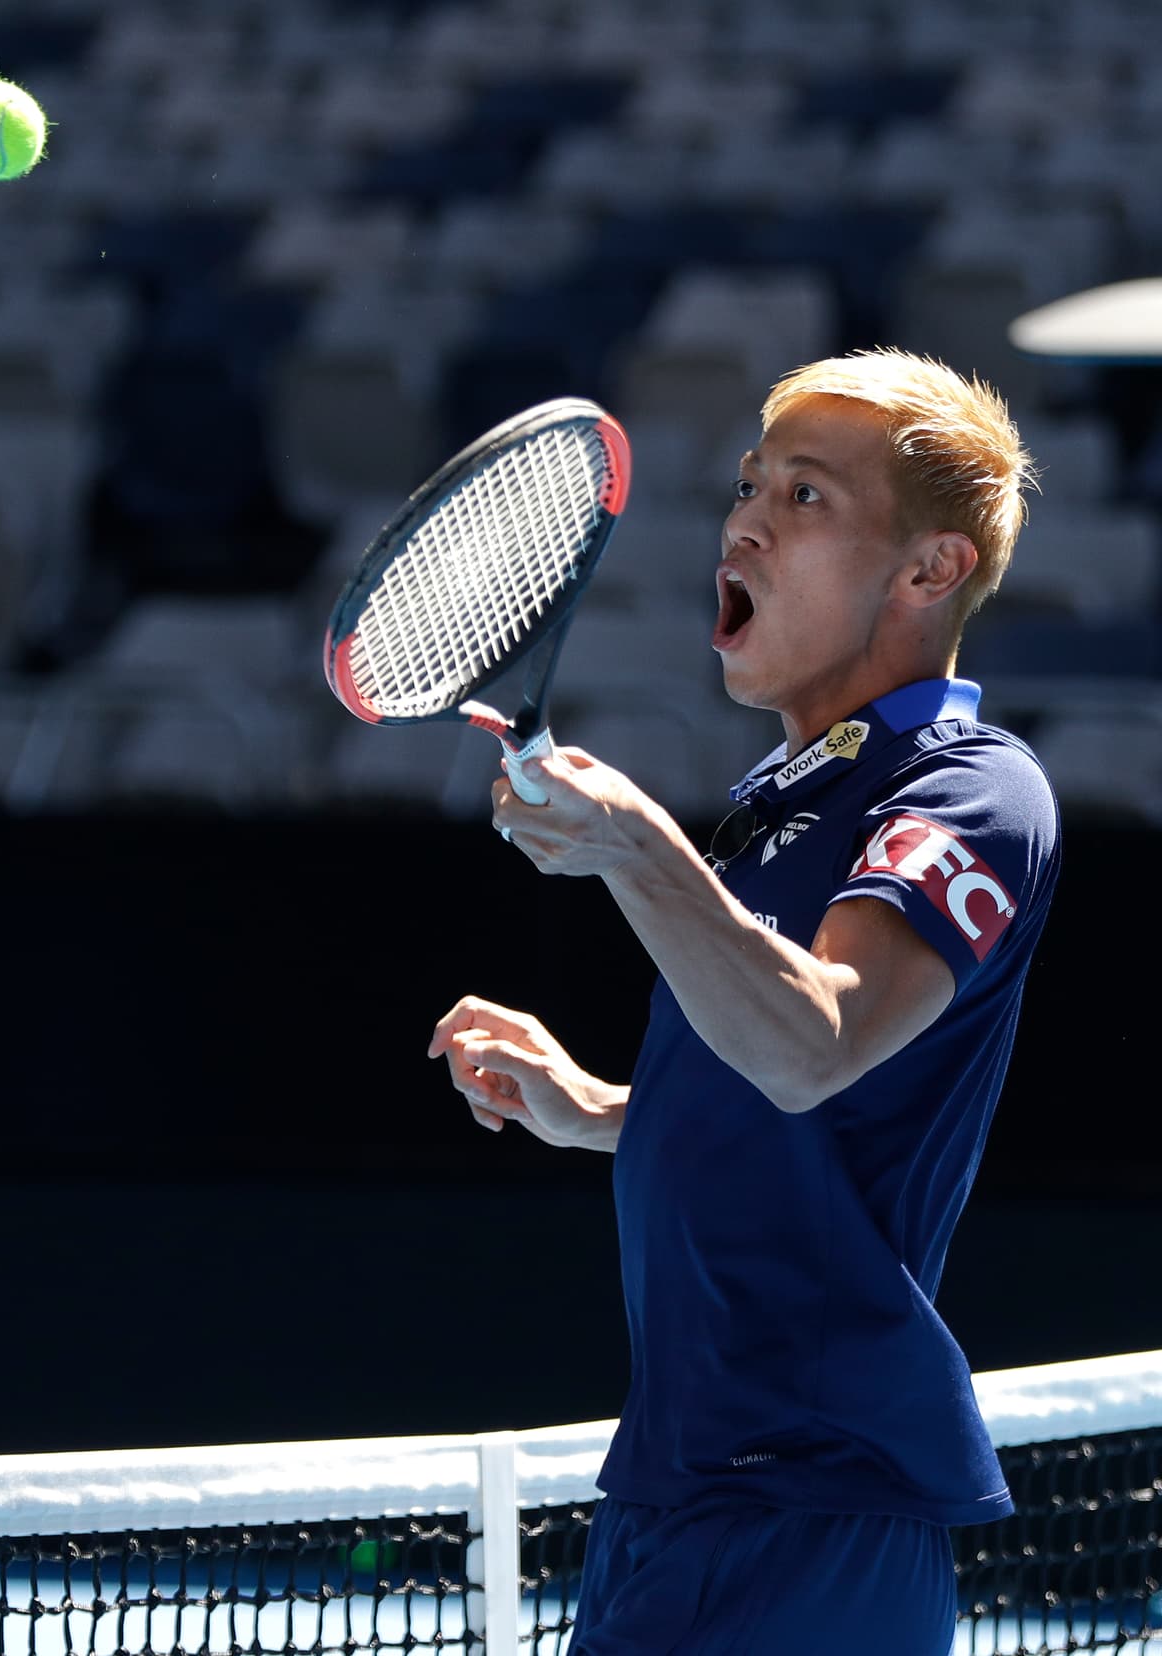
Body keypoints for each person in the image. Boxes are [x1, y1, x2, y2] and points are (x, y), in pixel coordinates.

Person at [428, 349, 1061, 1655]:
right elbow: (780, 1113)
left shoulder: (970, 792)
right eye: (748, 484)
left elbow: (815, 1046)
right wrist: (603, 1107)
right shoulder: (788, 807)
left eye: (808, 495)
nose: (745, 520)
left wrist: (636, 849)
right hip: (685, 1486)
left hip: (809, 1502)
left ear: (929, 571)